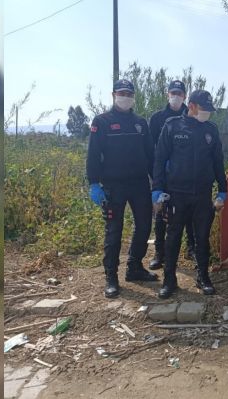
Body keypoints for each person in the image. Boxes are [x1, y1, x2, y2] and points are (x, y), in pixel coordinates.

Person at [86, 79, 159, 298]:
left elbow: (150, 156)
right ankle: (111, 277)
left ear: (133, 97)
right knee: (114, 232)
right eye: (122, 93)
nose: (125, 97)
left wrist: (157, 183)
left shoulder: (140, 123)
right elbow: (93, 155)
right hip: (113, 185)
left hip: (139, 184)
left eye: (129, 94)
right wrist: (94, 183)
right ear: (113, 95)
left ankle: (134, 268)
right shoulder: (102, 121)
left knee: (144, 226)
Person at [152, 89, 227, 299]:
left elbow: (218, 161)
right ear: (192, 106)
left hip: (202, 193)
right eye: (204, 108)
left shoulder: (211, 130)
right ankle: (169, 280)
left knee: (202, 237)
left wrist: (223, 190)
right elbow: (159, 159)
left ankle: (203, 277)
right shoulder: (172, 126)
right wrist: (157, 189)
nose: (207, 113)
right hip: (177, 193)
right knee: (173, 236)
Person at [148, 80, 197, 270]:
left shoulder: (192, 116)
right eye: (173, 92)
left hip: (186, 176)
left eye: (180, 93)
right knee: (161, 215)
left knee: (190, 214)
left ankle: (191, 249)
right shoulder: (157, 118)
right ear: (167, 94)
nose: (176, 96)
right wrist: (156, 175)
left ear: (185, 96)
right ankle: (159, 253)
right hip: (164, 176)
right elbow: (151, 149)